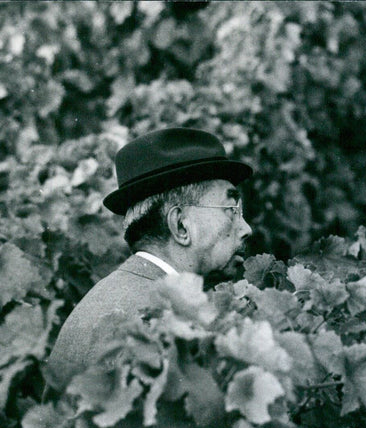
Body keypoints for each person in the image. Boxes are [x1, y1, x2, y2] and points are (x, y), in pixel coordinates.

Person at [46, 127, 254, 390]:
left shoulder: (114, 297)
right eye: (231, 209)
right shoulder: (153, 325)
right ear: (181, 226)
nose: (246, 228)